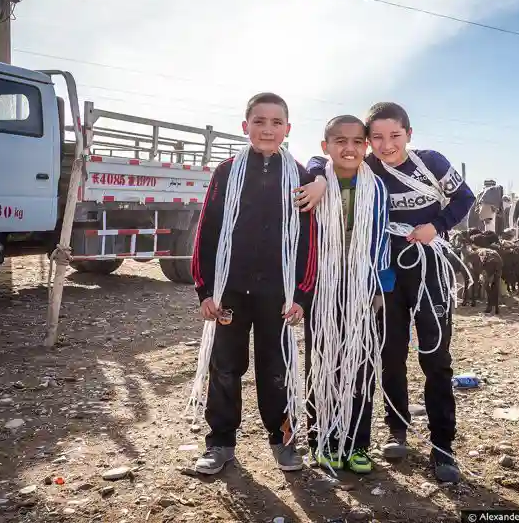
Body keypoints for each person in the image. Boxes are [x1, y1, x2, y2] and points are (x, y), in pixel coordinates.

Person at [301, 102, 475, 483]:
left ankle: (443, 446)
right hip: (386, 273)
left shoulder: (431, 163)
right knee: (388, 354)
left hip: (429, 267)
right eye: (376, 137)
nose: (385, 144)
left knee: (435, 356)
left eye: (394, 135)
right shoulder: (369, 167)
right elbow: (322, 158)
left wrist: (438, 225)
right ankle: (397, 430)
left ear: (409, 134)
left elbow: (465, 199)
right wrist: (317, 177)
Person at [190, 92, 317, 475]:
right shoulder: (226, 173)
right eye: (259, 122)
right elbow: (207, 232)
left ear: (288, 129)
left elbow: (310, 240)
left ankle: (283, 442)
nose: (267, 129)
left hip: (277, 294)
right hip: (230, 291)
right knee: (225, 367)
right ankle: (221, 444)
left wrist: (302, 295)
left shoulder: (300, 176)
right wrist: (205, 290)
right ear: (245, 127)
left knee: (276, 368)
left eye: (276, 122)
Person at [302, 115, 394, 475]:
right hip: (322, 287)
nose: (349, 148)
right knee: (323, 361)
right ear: (326, 147)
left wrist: (380, 289)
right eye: (340, 141)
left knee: (361, 364)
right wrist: (318, 177)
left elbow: (381, 239)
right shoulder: (312, 182)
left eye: (358, 142)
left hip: (361, 287)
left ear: (367, 147)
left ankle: (357, 442)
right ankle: (322, 439)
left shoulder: (378, 188)